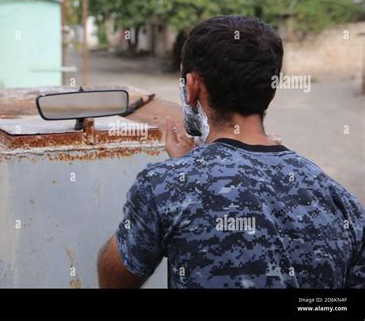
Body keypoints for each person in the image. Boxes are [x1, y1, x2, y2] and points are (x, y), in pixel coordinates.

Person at [97, 15, 365, 288]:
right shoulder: (341, 201)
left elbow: (114, 280)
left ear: (192, 88)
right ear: (271, 93)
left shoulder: (163, 186)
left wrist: (183, 175)